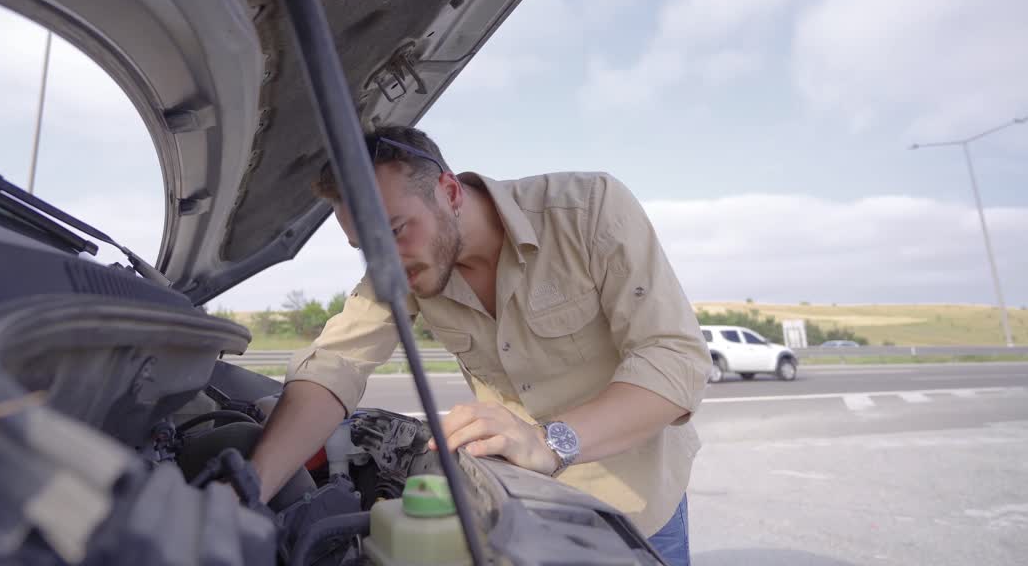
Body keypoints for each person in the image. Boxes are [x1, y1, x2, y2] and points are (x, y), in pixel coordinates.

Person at [249, 124, 710, 565]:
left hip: (637, 508)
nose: (382, 258)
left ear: (449, 192)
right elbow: (335, 364)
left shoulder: (588, 209)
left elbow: (674, 358)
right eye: (363, 246)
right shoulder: (402, 266)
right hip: (520, 513)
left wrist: (550, 442)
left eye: (393, 230)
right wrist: (249, 492)